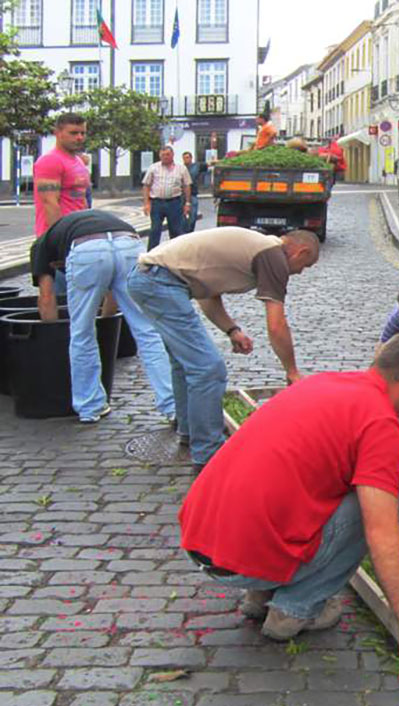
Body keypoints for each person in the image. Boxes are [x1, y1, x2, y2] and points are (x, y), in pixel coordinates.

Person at [180, 333, 399, 683]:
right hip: (240, 559)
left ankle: (261, 593)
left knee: (327, 487)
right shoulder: (381, 422)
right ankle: (293, 610)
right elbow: (381, 531)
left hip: (201, 540)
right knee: (390, 499)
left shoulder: (324, 382)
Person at [127, 227, 321, 471]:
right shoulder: (273, 256)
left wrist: (232, 330)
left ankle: (189, 430)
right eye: (306, 265)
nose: (301, 272)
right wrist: (292, 371)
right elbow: (276, 324)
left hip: (150, 278)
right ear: (300, 252)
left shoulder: (260, 249)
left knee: (184, 362)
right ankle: (208, 455)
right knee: (208, 369)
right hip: (158, 282)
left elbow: (207, 295)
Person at [28, 209, 176, 424]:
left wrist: (52, 335)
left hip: (87, 249)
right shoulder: (77, 224)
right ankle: (172, 407)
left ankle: (90, 407)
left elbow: (47, 298)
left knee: (82, 332)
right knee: (147, 331)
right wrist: (106, 321)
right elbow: (113, 293)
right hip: (128, 244)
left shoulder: (40, 247)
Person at [33, 113, 92, 237]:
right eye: (73, 133)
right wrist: (58, 239)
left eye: (83, 133)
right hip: (60, 236)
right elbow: (49, 203)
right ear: (57, 133)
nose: (79, 137)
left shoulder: (79, 161)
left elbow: (82, 199)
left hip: (79, 233)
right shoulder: (50, 161)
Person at [142, 145, 192, 250]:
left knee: (175, 230)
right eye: (163, 155)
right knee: (155, 230)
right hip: (157, 203)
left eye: (168, 154)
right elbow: (146, 185)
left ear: (173, 155)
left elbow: (187, 186)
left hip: (174, 203)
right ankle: (151, 255)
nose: (165, 157)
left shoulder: (181, 169)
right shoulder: (153, 168)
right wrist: (146, 203)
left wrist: (187, 203)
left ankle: (175, 254)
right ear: (160, 155)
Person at [181, 151, 207, 234]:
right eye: (184, 158)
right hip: (182, 195)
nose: (186, 159)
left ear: (191, 158)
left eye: (187, 157)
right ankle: (184, 233)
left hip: (193, 194)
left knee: (193, 216)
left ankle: (190, 231)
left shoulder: (196, 166)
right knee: (182, 217)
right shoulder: (181, 168)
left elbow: (209, 164)